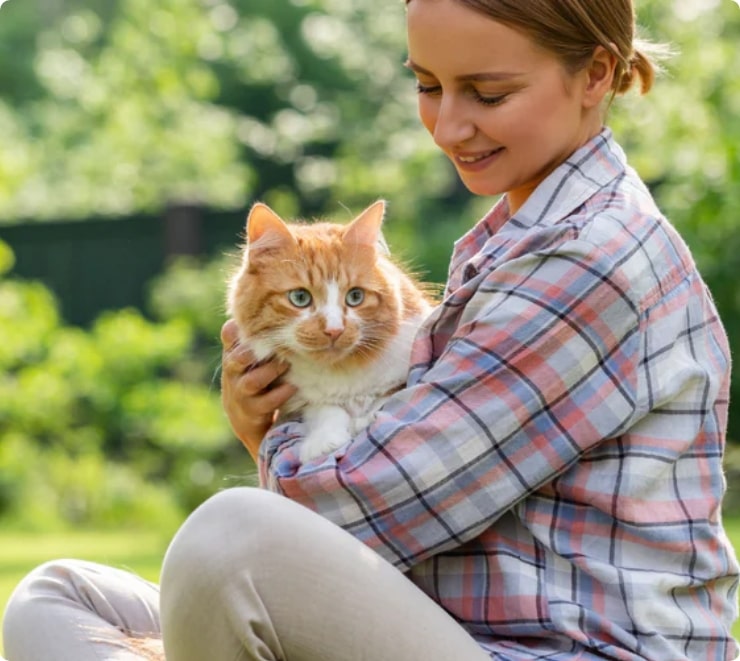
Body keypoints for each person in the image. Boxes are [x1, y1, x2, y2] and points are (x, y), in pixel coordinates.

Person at [3, 0, 739, 659]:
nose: (449, 124)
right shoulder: (519, 235)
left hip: (557, 650)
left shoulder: (592, 259)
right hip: (446, 622)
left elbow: (365, 506)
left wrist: (264, 432)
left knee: (229, 540)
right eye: (427, 85)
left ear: (596, 74)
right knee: (57, 597)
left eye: (488, 92)